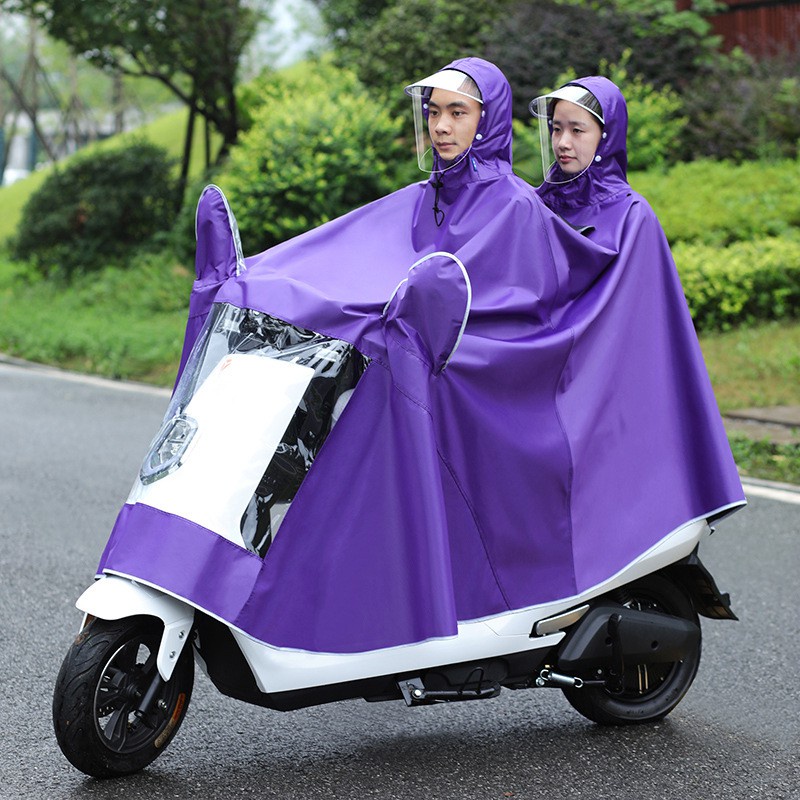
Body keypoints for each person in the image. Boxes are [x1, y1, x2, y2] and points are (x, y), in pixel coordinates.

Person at [100, 61, 744, 659]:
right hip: (443, 356)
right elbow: (355, 254)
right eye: (433, 112)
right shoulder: (450, 197)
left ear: (487, 121)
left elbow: (538, 308)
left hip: (499, 374)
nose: (440, 126)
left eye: (457, 113)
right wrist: (253, 282)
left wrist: (425, 329)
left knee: (393, 409)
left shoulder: (534, 207)